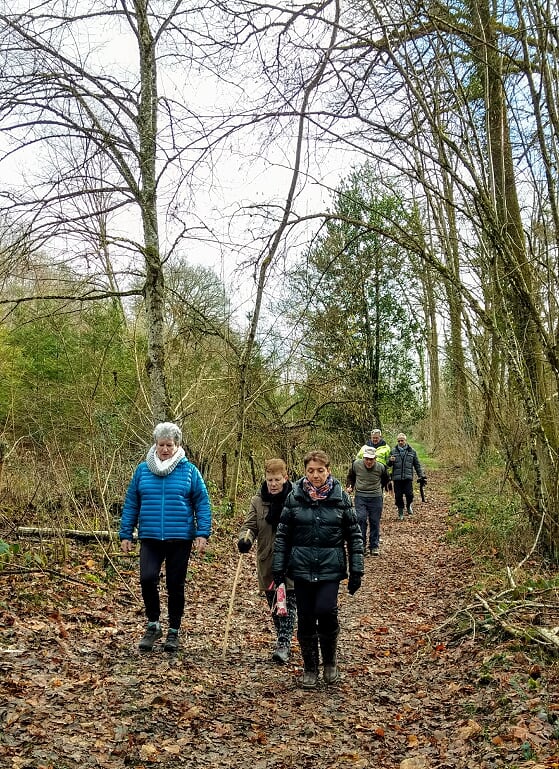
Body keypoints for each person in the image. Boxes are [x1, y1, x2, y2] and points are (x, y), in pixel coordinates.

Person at [272, 450, 364, 689]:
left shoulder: (341, 498)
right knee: (305, 617)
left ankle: (330, 662)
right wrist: (278, 569)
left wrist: (357, 571)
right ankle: (310, 667)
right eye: (311, 471)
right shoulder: (294, 498)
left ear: (328, 470)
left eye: (320, 470)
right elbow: (282, 536)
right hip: (301, 568)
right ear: (304, 472)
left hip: (330, 568)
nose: (315, 475)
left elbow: (354, 536)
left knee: (326, 610)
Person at [119, 422, 212, 652]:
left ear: (177, 445)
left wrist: (202, 533)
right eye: (161, 444)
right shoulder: (142, 470)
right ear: (155, 445)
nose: (165, 449)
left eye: (169, 445)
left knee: (175, 584)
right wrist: (126, 533)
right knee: (147, 578)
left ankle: (174, 630)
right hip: (150, 536)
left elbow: (202, 502)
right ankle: (153, 624)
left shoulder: (189, 470)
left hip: (180, 537)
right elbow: (132, 502)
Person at [237, 458, 296, 664]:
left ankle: (284, 643)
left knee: (287, 601)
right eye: (269, 479)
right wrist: (245, 539)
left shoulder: (295, 498)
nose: (273, 484)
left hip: (291, 560)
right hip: (267, 559)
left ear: (285, 478)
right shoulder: (258, 501)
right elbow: (250, 526)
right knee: (273, 602)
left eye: (277, 479)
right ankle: (283, 638)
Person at [346, 445, 391, 556]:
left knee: (374, 521)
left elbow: (386, 479)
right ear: (363, 458)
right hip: (360, 496)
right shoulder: (356, 465)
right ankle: (362, 544)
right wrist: (350, 486)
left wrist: (388, 487)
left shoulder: (381, 467)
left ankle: (374, 546)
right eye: (366, 459)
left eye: (371, 459)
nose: (369, 462)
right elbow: (351, 476)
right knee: (360, 519)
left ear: (375, 459)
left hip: (376, 497)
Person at [388, 433, 426, 520]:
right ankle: (400, 511)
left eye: (402, 440)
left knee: (409, 494)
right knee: (398, 496)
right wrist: (390, 460)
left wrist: (421, 475)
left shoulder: (412, 451)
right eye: (399, 441)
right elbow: (388, 464)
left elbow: (417, 465)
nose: (400, 442)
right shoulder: (393, 451)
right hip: (397, 478)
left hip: (408, 477)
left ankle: (409, 505)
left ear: (405, 441)